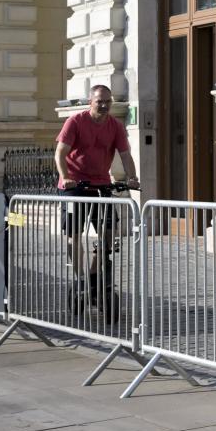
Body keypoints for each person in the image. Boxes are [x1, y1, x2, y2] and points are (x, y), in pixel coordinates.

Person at [54, 85, 139, 317]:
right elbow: (60, 153)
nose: (104, 105)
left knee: (109, 235)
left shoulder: (115, 126)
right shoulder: (75, 122)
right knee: (73, 235)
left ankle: (93, 277)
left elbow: (125, 155)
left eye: (107, 101)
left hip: (100, 186)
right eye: (99, 101)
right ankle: (80, 278)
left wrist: (131, 178)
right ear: (90, 102)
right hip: (75, 187)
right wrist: (66, 177)